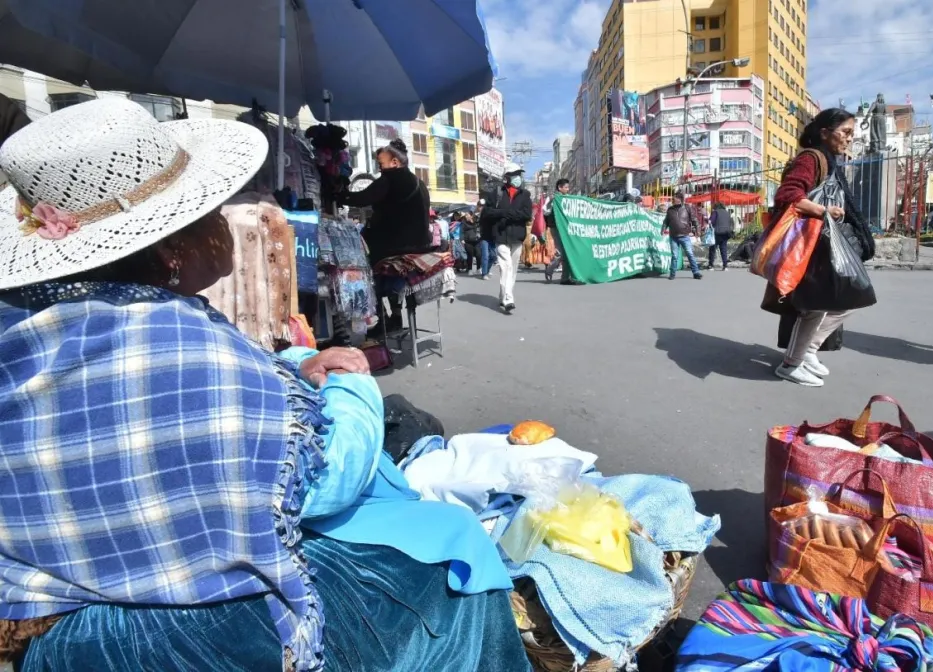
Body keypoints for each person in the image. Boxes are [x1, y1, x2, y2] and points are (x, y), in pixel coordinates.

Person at [0, 99, 528, 672]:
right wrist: (352, 386)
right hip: (199, 636)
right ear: (173, 246)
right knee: (453, 550)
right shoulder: (175, 342)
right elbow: (326, 479)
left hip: (54, 639)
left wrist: (297, 364)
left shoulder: (32, 329)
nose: (231, 221)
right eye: (216, 208)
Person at [763, 108, 876, 387]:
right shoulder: (811, 158)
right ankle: (791, 364)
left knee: (846, 300)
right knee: (815, 306)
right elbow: (788, 195)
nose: (849, 139)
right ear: (825, 133)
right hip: (811, 245)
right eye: (845, 132)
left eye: (852, 133)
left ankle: (807, 352)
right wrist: (823, 210)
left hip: (823, 244)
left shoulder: (829, 162)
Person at [338, 139, 432, 332]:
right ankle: (396, 315)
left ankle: (381, 316)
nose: (380, 169)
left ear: (395, 162)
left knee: (362, 268)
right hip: (420, 244)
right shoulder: (419, 182)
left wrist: (337, 195)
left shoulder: (391, 178)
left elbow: (362, 198)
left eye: (381, 164)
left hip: (398, 246)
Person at [481, 163, 532, 313]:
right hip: (501, 236)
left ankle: (503, 294)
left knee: (513, 270)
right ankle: (508, 299)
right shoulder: (496, 193)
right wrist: (503, 213)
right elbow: (487, 213)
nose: (518, 178)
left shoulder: (525, 194)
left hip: (517, 237)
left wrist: (507, 214)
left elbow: (526, 214)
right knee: (505, 266)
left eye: (519, 174)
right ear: (507, 177)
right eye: (515, 174)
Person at [544, 178, 576, 284]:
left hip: (567, 228)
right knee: (561, 252)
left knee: (568, 252)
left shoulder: (568, 198)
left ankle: (565, 278)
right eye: (566, 187)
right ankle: (550, 268)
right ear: (559, 187)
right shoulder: (553, 198)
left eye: (568, 187)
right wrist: (551, 201)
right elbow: (545, 211)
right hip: (556, 228)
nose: (568, 189)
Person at [664, 191, 702, 280]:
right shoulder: (670, 210)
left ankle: (696, 272)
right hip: (673, 237)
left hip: (685, 236)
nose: (673, 200)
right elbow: (666, 221)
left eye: (675, 198)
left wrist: (697, 230)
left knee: (690, 254)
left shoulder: (687, 208)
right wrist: (663, 230)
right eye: (673, 198)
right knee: (674, 256)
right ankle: (672, 274)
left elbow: (694, 220)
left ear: (680, 199)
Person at [707, 202, 734, 271]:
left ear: (716, 207)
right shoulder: (727, 213)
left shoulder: (715, 212)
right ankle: (725, 266)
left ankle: (711, 265)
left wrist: (707, 220)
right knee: (723, 249)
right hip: (726, 233)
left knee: (712, 249)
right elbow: (730, 222)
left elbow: (711, 221)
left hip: (717, 232)